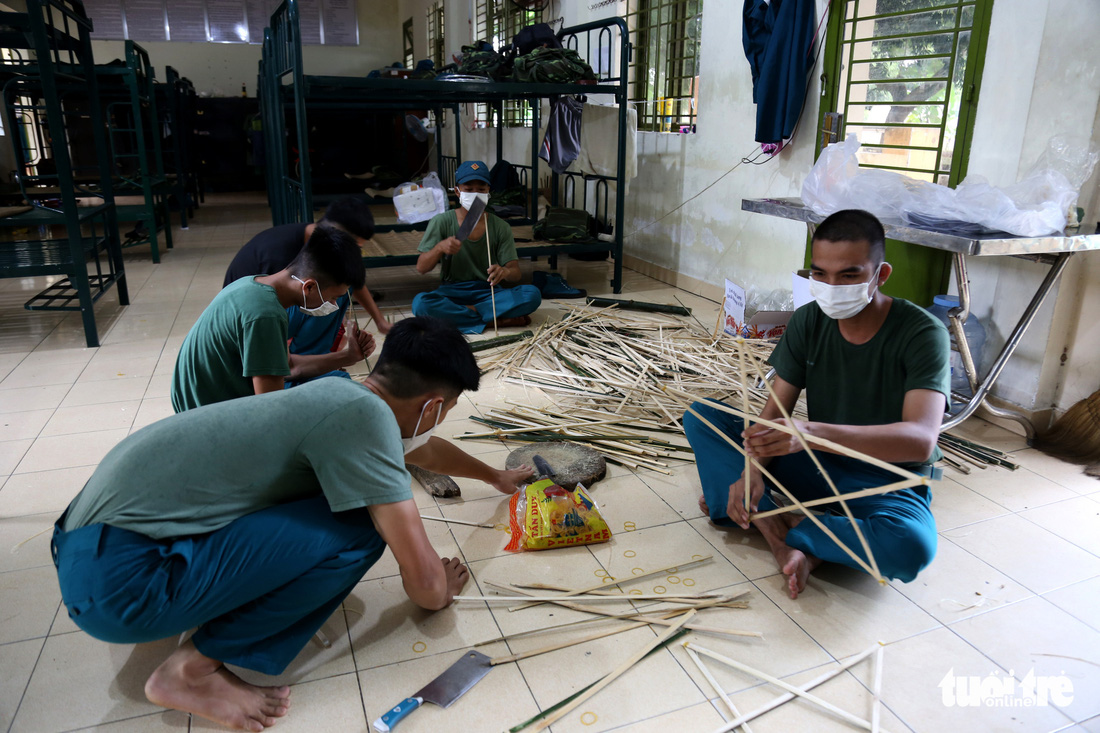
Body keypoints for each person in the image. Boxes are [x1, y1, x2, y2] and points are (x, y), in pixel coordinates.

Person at [52, 317, 533, 732]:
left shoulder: (338, 394)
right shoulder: (364, 422)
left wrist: (493, 475)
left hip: (88, 541)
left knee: (323, 501)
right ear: (431, 405)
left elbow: (418, 448)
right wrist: (439, 584)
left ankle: (197, 599)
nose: (441, 420)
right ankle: (192, 671)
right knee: (360, 526)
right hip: (119, 587)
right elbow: (426, 590)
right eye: (445, 409)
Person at [684, 209, 949, 600]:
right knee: (701, 416)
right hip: (817, 464)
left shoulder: (923, 333)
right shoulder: (808, 321)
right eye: (819, 273)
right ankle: (784, 534)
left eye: (849, 275)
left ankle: (776, 518)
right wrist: (751, 466)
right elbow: (773, 417)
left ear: (881, 274)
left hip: (886, 477)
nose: (830, 286)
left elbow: (919, 441)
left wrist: (809, 433)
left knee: (909, 547)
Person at [171, 223, 373, 413]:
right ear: (309, 287)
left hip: (198, 399)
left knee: (338, 381)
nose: (334, 305)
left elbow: (288, 367)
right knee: (338, 401)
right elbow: (270, 409)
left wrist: (349, 356)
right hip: (207, 414)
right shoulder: (265, 315)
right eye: (333, 298)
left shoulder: (253, 284)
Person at [412, 160, 542, 333]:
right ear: (457, 191)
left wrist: (505, 272)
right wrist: (439, 248)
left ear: (489, 191)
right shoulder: (441, 222)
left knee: (532, 295)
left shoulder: (500, 226)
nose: (475, 193)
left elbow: (515, 273)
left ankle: (464, 316)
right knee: (421, 304)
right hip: (452, 292)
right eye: (468, 188)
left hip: (488, 292)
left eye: (481, 189)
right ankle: (492, 320)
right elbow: (421, 267)